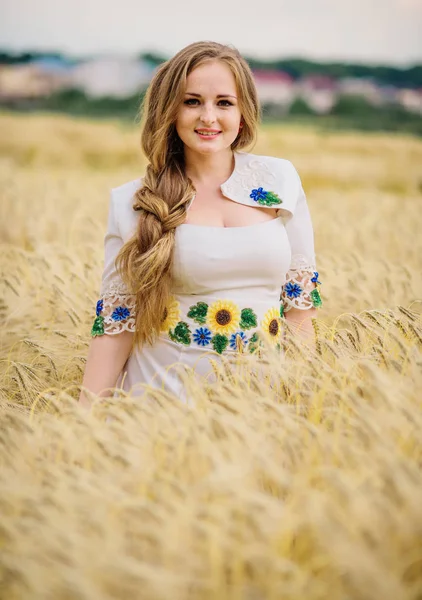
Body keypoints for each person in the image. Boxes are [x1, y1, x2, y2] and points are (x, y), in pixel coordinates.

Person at [78, 40, 322, 408]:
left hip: (263, 407)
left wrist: (306, 402)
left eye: (224, 102)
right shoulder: (136, 203)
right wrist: (83, 423)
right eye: (192, 102)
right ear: (170, 111)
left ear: (243, 113)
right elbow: (116, 325)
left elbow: (300, 307)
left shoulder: (279, 180)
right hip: (160, 406)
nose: (209, 117)